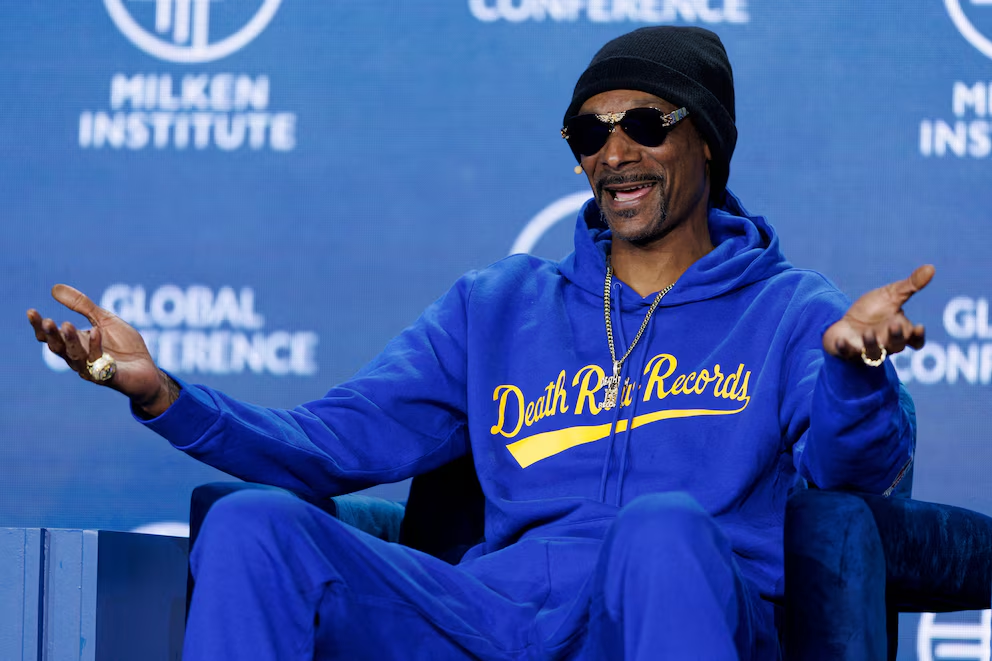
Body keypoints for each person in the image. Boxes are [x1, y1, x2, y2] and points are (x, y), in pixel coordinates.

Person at [28, 26, 932, 660]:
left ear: (708, 140)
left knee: (660, 529)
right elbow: (329, 443)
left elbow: (857, 473)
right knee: (253, 526)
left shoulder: (787, 309)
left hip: (670, 611)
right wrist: (163, 394)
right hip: (495, 617)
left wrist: (856, 369)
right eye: (590, 131)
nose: (614, 152)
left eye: (644, 124)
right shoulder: (497, 305)